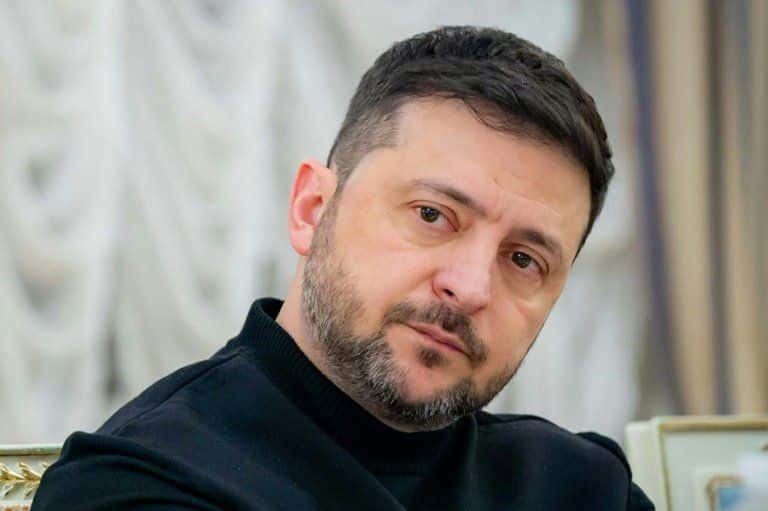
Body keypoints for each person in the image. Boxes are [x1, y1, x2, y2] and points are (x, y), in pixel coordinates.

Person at [33, 26, 654, 510]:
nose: (469, 287)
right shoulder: (140, 482)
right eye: (432, 215)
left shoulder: (584, 490)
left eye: (523, 259)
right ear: (311, 209)